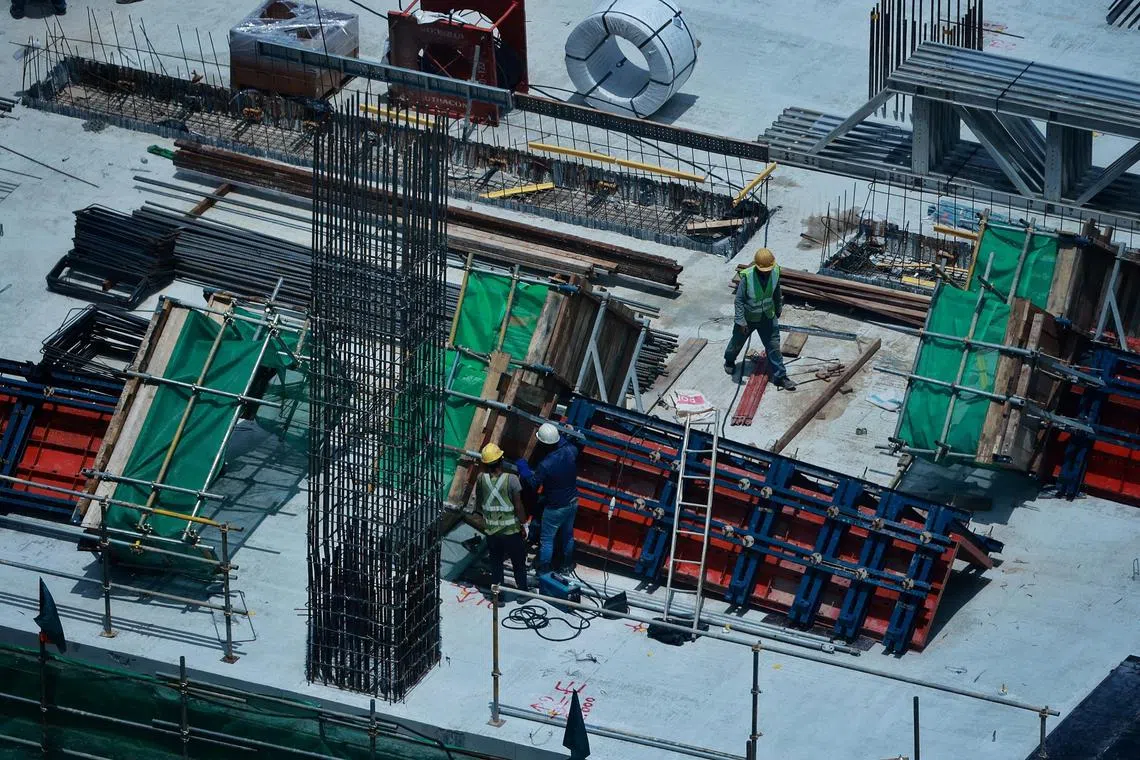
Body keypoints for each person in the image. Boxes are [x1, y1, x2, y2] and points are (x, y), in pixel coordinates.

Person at [724, 247, 797, 391]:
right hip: (748, 318)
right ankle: (729, 361)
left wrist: (778, 308)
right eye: (765, 270)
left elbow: (776, 291)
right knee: (737, 342)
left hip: (767, 317)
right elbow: (739, 300)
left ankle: (781, 377)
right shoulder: (748, 276)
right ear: (757, 267)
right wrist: (741, 321)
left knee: (774, 346)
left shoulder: (775, 272)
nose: (768, 271)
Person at [516, 422, 579, 575]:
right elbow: (567, 444)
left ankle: (543, 571)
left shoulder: (547, 464)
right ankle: (566, 565)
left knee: (546, 540)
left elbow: (532, 483)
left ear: (543, 443)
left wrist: (523, 468)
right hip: (573, 502)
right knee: (568, 535)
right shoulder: (572, 450)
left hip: (555, 508)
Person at [471, 442, 529, 604]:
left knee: (496, 564)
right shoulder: (512, 480)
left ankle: (498, 597)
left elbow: (480, 505)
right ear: (501, 460)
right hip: (511, 531)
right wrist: (524, 525)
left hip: (492, 532)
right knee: (518, 562)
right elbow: (518, 505)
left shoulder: (481, 480)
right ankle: (523, 592)